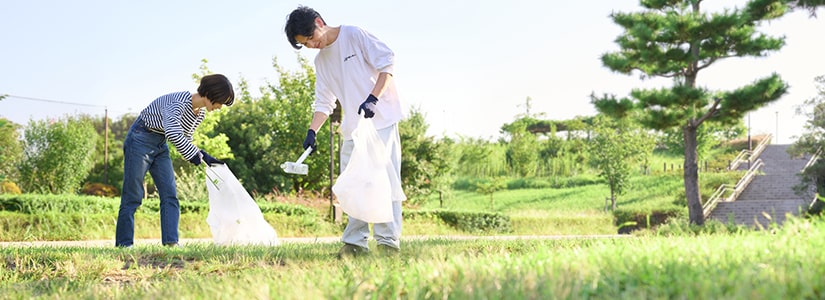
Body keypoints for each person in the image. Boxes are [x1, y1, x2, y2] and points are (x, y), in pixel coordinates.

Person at [285, 6, 406, 258]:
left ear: (319, 22)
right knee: (354, 184)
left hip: (381, 121)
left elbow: (388, 62)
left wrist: (373, 98)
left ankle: (388, 243)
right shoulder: (321, 61)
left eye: (310, 38)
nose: (311, 45)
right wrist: (312, 131)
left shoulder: (353, 35)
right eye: (305, 44)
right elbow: (323, 102)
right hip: (353, 129)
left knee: (385, 182)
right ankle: (354, 244)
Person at [115, 74, 235, 248]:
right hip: (140, 138)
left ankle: (171, 242)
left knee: (170, 193)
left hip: (160, 143)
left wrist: (203, 156)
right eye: (219, 102)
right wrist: (193, 154)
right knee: (133, 193)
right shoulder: (178, 103)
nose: (219, 107)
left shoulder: (199, 114)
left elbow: (184, 137)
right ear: (210, 94)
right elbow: (173, 133)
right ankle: (124, 244)